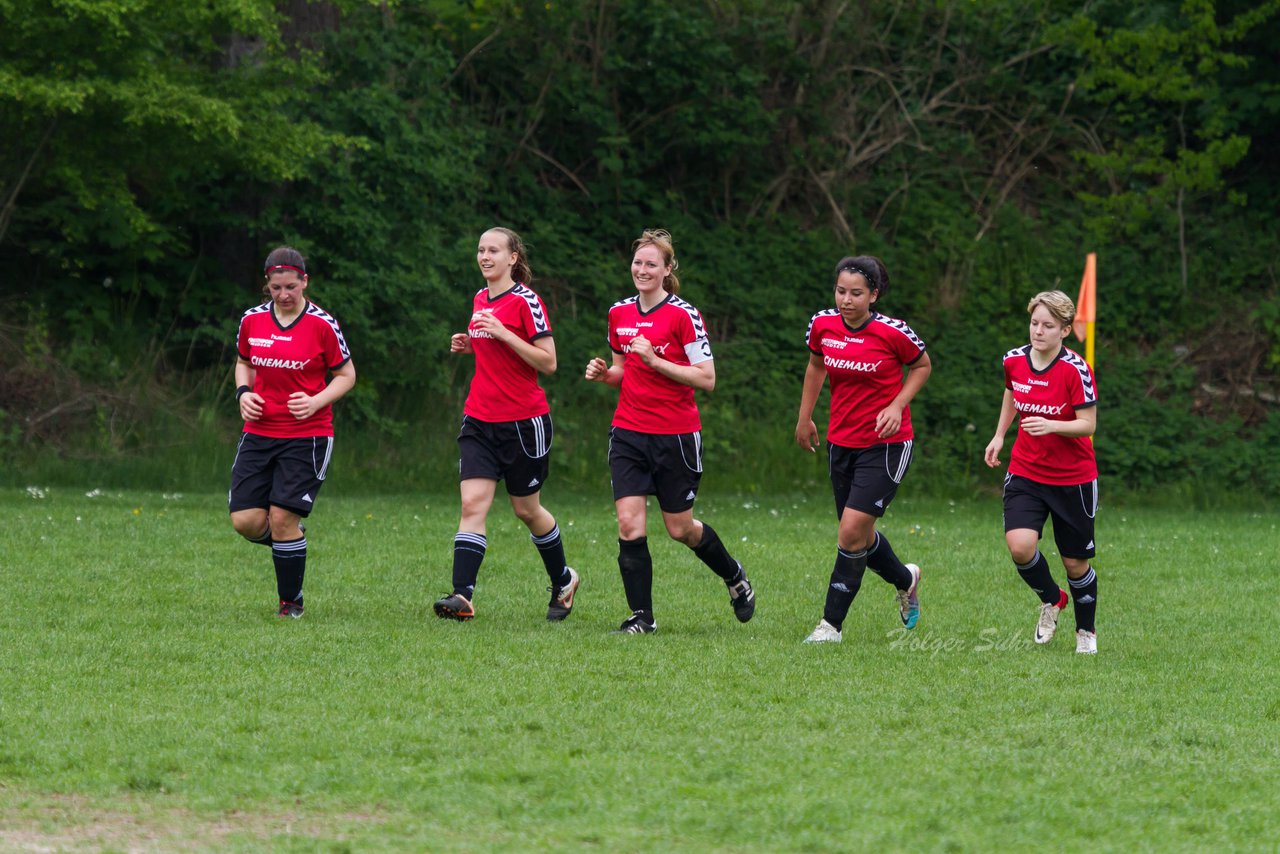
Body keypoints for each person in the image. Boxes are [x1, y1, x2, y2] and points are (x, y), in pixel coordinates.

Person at [584, 228, 754, 634]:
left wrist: (657, 361)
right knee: (629, 523)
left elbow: (707, 378)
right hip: (627, 432)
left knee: (681, 529)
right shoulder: (618, 313)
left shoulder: (683, 315)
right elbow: (624, 373)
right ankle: (642, 617)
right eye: (638, 262)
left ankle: (734, 576)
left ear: (667, 269)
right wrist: (606, 374)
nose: (642, 270)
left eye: (651, 264)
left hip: (675, 436)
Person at [434, 227, 580, 623]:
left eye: (493, 250)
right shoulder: (480, 297)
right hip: (480, 418)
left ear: (513, 257)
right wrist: (473, 342)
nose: (485, 256)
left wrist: (501, 333)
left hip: (523, 424)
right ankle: (462, 596)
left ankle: (563, 580)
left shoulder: (527, 302)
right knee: (471, 504)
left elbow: (548, 362)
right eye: (480, 249)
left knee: (526, 509)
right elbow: (495, 354)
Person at [796, 255, 931, 644]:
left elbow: (922, 366)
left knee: (851, 531)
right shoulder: (822, 325)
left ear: (874, 295)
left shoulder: (894, 332)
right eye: (841, 291)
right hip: (841, 442)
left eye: (856, 293)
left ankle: (830, 626)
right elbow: (815, 366)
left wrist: (896, 405)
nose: (846, 300)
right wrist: (805, 418)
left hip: (886, 444)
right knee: (857, 536)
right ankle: (906, 579)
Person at [229, 246, 356, 618]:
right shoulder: (252, 320)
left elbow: (346, 376)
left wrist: (317, 401)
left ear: (305, 282)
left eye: (291, 287)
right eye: (276, 287)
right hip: (259, 432)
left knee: (283, 518)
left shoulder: (322, 324)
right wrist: (244, 393)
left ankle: (291, 603)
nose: (284, 295)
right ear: (266, 286)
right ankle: (291, 546)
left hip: (308, 435)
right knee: (246, 521)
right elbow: (243, 363)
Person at [984, 290, 1099, 654]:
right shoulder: (1014, 360)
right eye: (1034, 323)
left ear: (1065, 330)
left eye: (1048, 325)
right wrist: (1000, 435)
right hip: (1026, 471)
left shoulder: (1076, 369)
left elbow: (1088, 424)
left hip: (1073, 479)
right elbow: (1010, 394)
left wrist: (1053, 425)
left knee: (1074, 562)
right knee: (1020, 547)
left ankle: (1086, 634)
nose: (1038, 331)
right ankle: (1052, 599)